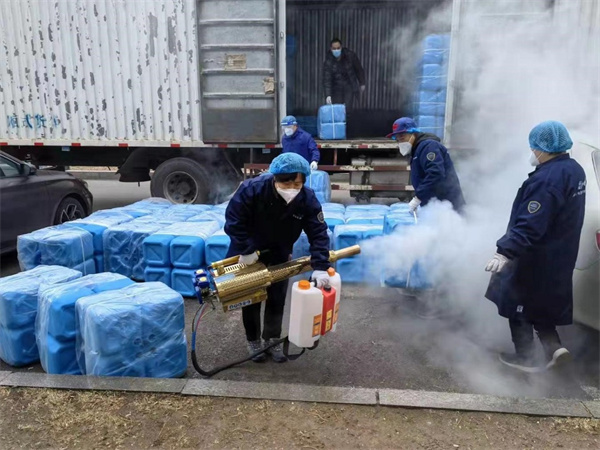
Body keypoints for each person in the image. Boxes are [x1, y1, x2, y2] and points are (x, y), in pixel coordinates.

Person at [484, 121, 586, 372]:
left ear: (543, 148)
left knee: (516, 303)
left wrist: (505, 251)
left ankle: (525, 359)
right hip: (560, 253)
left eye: (533, 147)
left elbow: (531, 223)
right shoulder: (573, 169)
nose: (532, 151)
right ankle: (555, 349)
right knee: (539, 304)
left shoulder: (546, 180)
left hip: (535, 255)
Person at [224, 153, 331, 363]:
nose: (291, 188)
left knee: (277, 296)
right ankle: (253, 341)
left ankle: (271, 340)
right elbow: (234, 221)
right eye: (286, 183)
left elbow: (318, 232)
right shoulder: (252, 189)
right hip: (249, 251)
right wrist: (246, 250)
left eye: (297, 184)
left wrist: (320, 266)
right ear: (275, 178)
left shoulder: (307, 199)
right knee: (252, 297)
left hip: (280, 250)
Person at [387, 117, 465, 213]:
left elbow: (435, 174)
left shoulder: (429, 147)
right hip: (436, 206)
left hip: (448, 206)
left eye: (402, 137)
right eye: (397, 139)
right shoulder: (416, 150)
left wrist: (418, 197)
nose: (400, 142)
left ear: (413, 133)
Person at [323, 38, 366, 110]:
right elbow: (327, 79)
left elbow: (359, 69)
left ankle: (347, 117)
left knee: (347, 108)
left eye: (338, 48)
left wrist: (362, 82)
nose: (336, 50)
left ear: (341, 47)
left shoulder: (350, 56)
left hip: (349, 85)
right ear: (331, 49)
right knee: (337, 108)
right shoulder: (328, 61)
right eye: (334, 48)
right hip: (336, 88)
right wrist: (328, 95)